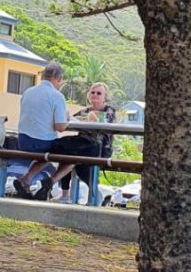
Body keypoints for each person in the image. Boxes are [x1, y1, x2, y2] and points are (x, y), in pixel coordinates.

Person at [44, 82, 117, 201]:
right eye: (92, 92)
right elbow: (69, 119)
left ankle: (92, 194)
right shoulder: (85, 111)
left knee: (74, 158)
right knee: (67, 154)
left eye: (99, 93)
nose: (95, 95)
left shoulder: (109, 110)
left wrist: (93, 119)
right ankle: (65, 193)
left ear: (105, 97)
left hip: (100, 148)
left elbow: (104, 125)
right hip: (83, 146)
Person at [11, 62, 70, 196]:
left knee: (47, 152)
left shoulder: (28, 92)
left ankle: (26, 179)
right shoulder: (57, 96)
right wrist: (66, 117)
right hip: (42, 143)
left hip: (23, 141)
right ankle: (52, 182)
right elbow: (60, 127)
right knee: (71, 156)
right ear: (59, 79)